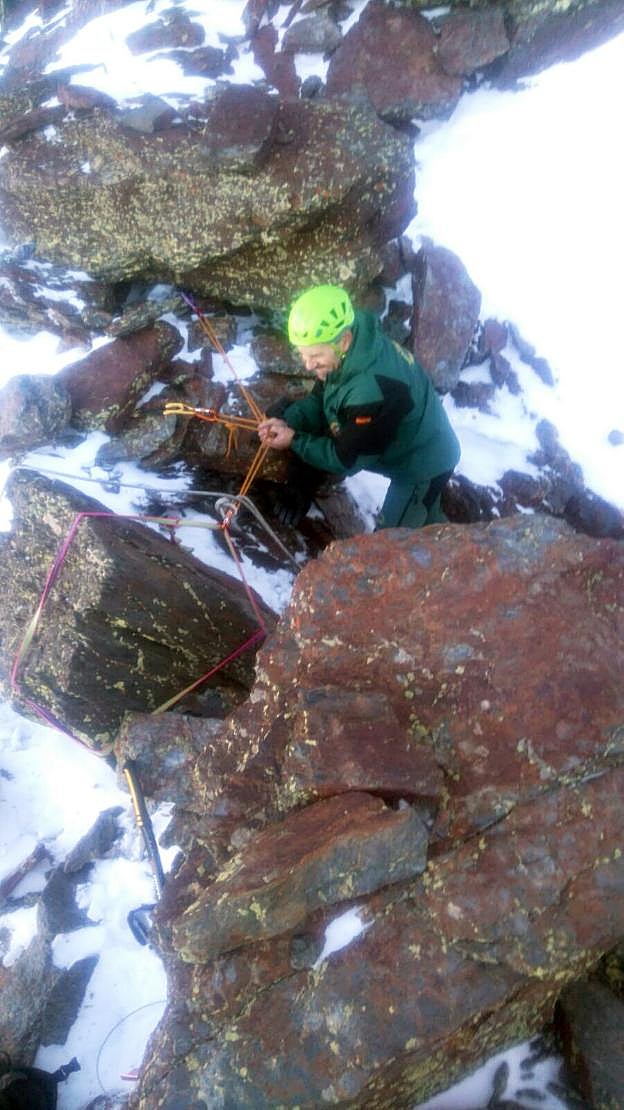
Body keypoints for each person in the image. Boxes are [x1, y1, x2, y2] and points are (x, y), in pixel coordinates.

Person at [258, 284, 460, 529]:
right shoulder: (354, 346)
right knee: (426, 519)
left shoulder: (369, 390)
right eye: (303, 355)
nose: (308, 365)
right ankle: (442, 531)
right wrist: (289, 420)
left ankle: (451, 544)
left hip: (423, 465)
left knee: (392, 542)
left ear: (343, 341)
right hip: (418, 441)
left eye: (315, 356)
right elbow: (323, 400)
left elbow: (345, 459)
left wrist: (294, 439)